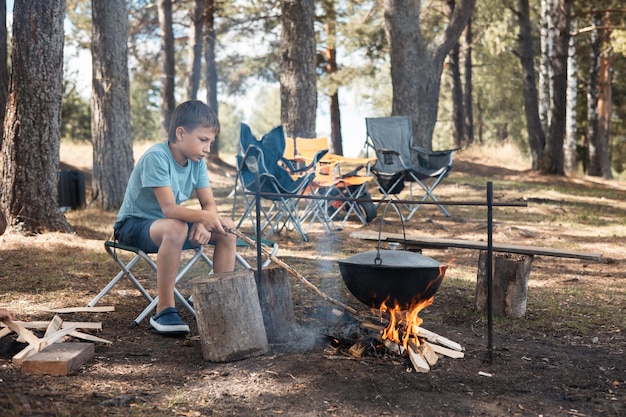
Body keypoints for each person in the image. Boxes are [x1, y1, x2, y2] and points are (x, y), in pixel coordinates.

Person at [113, 100, 236, 336]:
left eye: (210, 142)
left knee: (226, 231)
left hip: (169, 226)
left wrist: (203, 221)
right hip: (133, 225)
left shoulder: (197, 162)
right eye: (203, 140)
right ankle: (164, 308)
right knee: (177, 227)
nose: (208, 148)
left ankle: (222, 304)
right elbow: (169, 208)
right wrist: (201, 217)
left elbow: (209, 204)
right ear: (180, 133)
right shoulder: (156, 157)